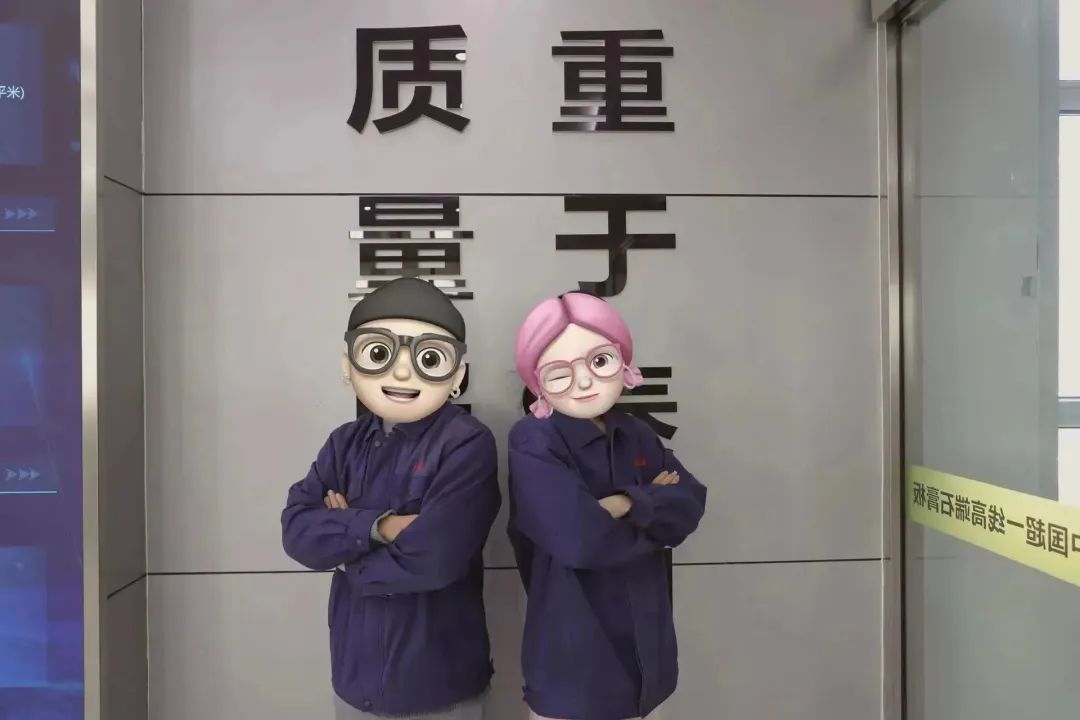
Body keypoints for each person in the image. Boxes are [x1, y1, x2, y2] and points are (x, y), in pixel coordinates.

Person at [281, 277, 500, 720]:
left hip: (440, 684)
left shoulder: (466, 443)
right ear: (348, 365)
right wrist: (380, 527)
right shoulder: (344, 443)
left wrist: (346, 550)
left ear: (457, 375)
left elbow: (437, 557)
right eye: (379, 352)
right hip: (354, 680)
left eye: (428, 358)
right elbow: (297, 532)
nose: (402, 373)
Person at [508, 292, 707, 720]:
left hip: (648, 667)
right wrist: (650, 506)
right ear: (537, 383)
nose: (584, 382)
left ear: (623, 361)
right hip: (573, 669)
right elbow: (578, 538)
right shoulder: (533, 440)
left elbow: (688, 505)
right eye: (560, 372)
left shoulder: (635, 433)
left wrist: (621, 502)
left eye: (599, 361)